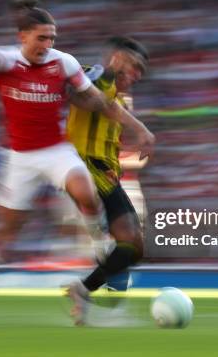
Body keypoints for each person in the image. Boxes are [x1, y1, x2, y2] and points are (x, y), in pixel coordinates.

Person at [0, 0, 155, 321]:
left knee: (109, 217)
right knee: (8, 232)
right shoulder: (18, 62)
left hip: (65, 154)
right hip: (24, 158)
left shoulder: (69, 66)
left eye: (51, 38)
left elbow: (96, 101)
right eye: (42, 37)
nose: (48, 44)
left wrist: (138, 128)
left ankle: (93, 266)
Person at [64, 36, 151, 325]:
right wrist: (138, 128)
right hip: (86, 166)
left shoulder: (121, 97)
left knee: (134, 246)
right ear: (116, 58)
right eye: (134, 67)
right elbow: (76, 94)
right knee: (130, 240)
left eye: (141, 72)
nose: (137, 75)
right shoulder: (98, 75)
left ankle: (85, 287)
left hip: (106, 173)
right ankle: (95, 279)